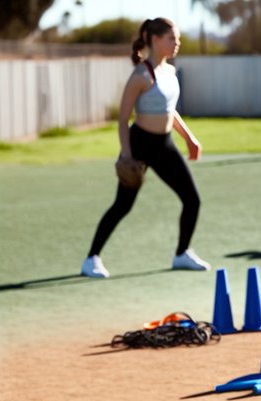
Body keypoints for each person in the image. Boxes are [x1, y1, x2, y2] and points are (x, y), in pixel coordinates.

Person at [81, 18, 209, 278]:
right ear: (155, 39)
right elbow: (123, 119)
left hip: (164, 145)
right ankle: (91, 258)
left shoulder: (170, 71)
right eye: (171, 38)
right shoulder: (140, 75)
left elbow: (170, 111)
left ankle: (182, 254)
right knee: (122, 206)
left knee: (192, 200)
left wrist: (189, 138)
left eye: (177, 39)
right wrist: (127, 156)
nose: (177, 43)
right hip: (139, 144)